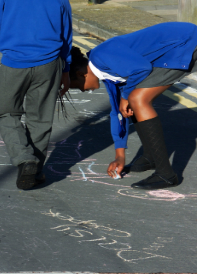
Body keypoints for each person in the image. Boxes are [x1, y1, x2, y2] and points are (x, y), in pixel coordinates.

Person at [0, 0, 72, 190]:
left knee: (5, 112)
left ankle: (25, 159)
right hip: (50, 64)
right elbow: (66, 36)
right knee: (40, 119)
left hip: (14, 64)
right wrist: (66, 70)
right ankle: (34, 171)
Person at [68, 22, 197, 190]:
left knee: (137, 98)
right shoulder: (106, 73)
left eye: (78, 86)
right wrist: (119, 155)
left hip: (185, 42)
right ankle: (150, 157)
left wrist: (125, 96)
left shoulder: (101, 57)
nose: (83, 91)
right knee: (131, 102)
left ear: (81, 74)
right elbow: (118, 114)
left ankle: (166, 174)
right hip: (179, 43)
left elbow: (141, 69)